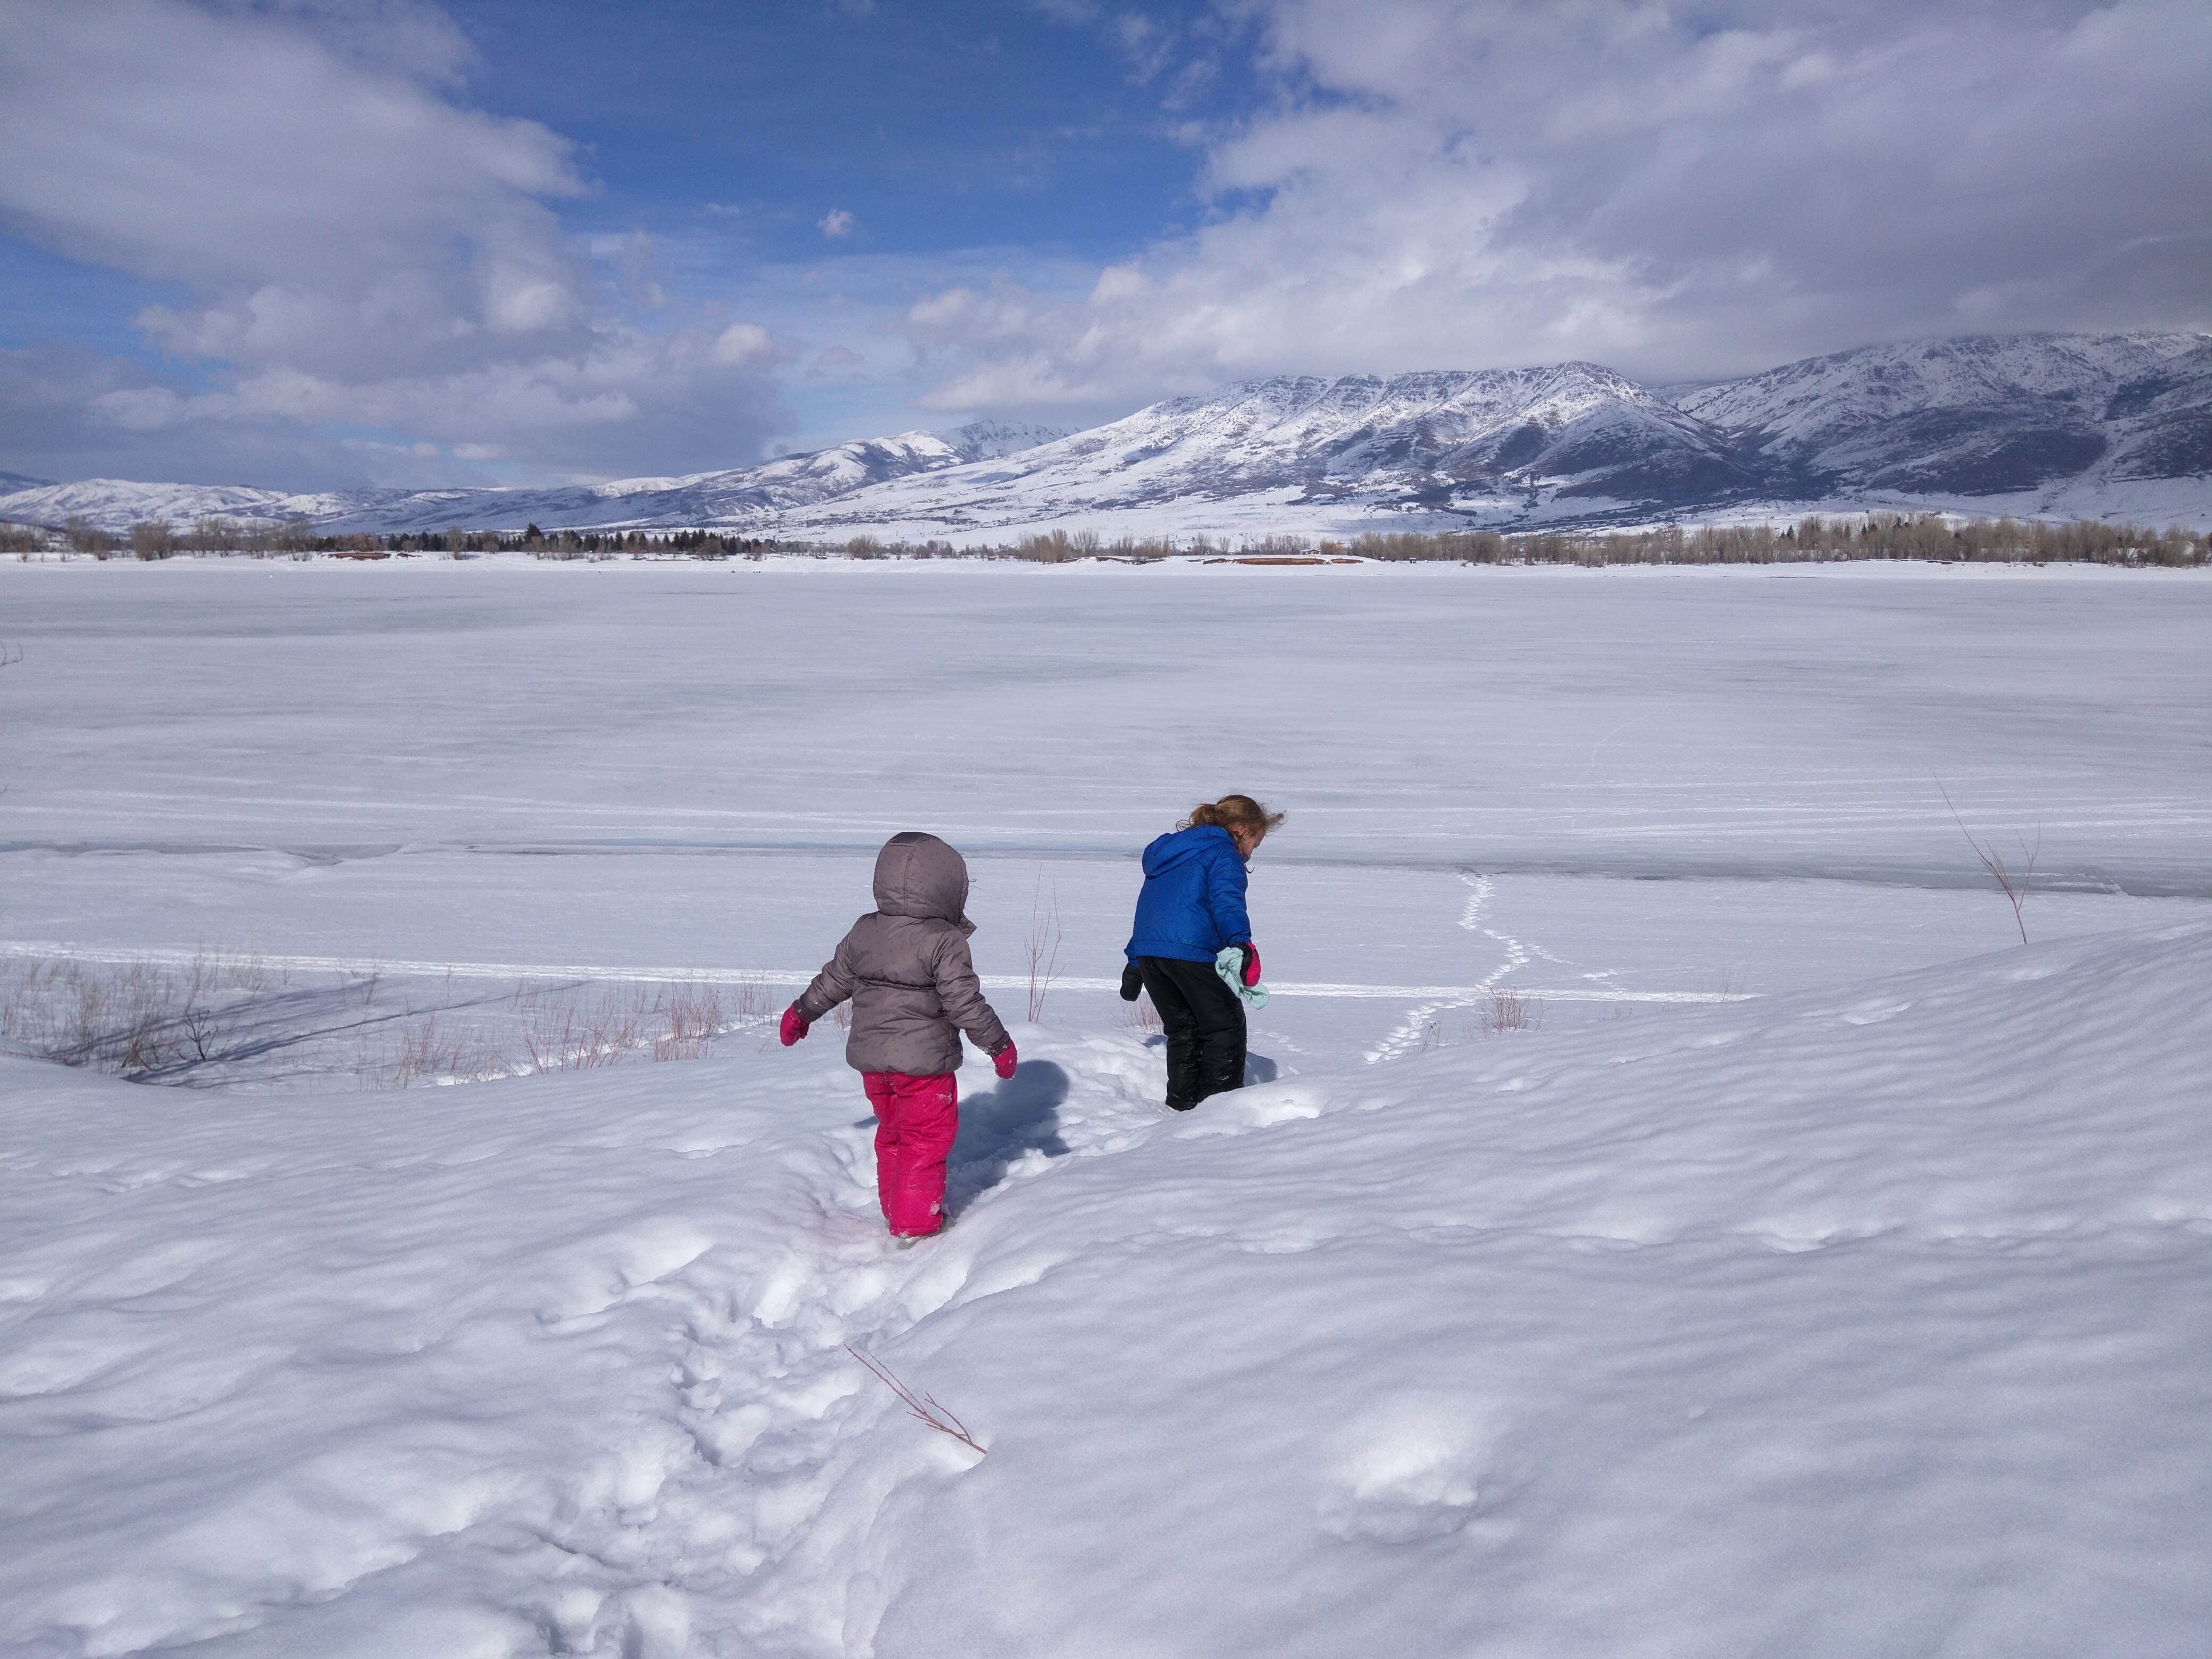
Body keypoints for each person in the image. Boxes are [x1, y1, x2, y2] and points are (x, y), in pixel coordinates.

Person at [780, 832, 1017, 1241]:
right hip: (924, 1066)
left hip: (874, 1064)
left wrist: (801, 1012)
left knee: (893, 1132)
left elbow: (833, 981)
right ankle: (915, 1224)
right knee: (925, 1139)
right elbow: (964, 1002)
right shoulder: (944, 941)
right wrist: (998, 1044)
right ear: (946, 889)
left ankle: (895, 1209)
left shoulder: (865, 930)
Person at [1120, 794, 1284, 1112]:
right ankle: (1219, 1113)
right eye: (1255, 843)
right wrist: (1241, 942)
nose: (1251, 853)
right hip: (1191, 952)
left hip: (1154, 955)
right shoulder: (1224, 853)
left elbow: (1154, 909)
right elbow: (1226, 900)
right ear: (1240, 830)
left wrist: (1135, 960)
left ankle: (1181, 1108)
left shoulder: (1169, 855)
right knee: (1225, 1027)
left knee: (1185, 1031)